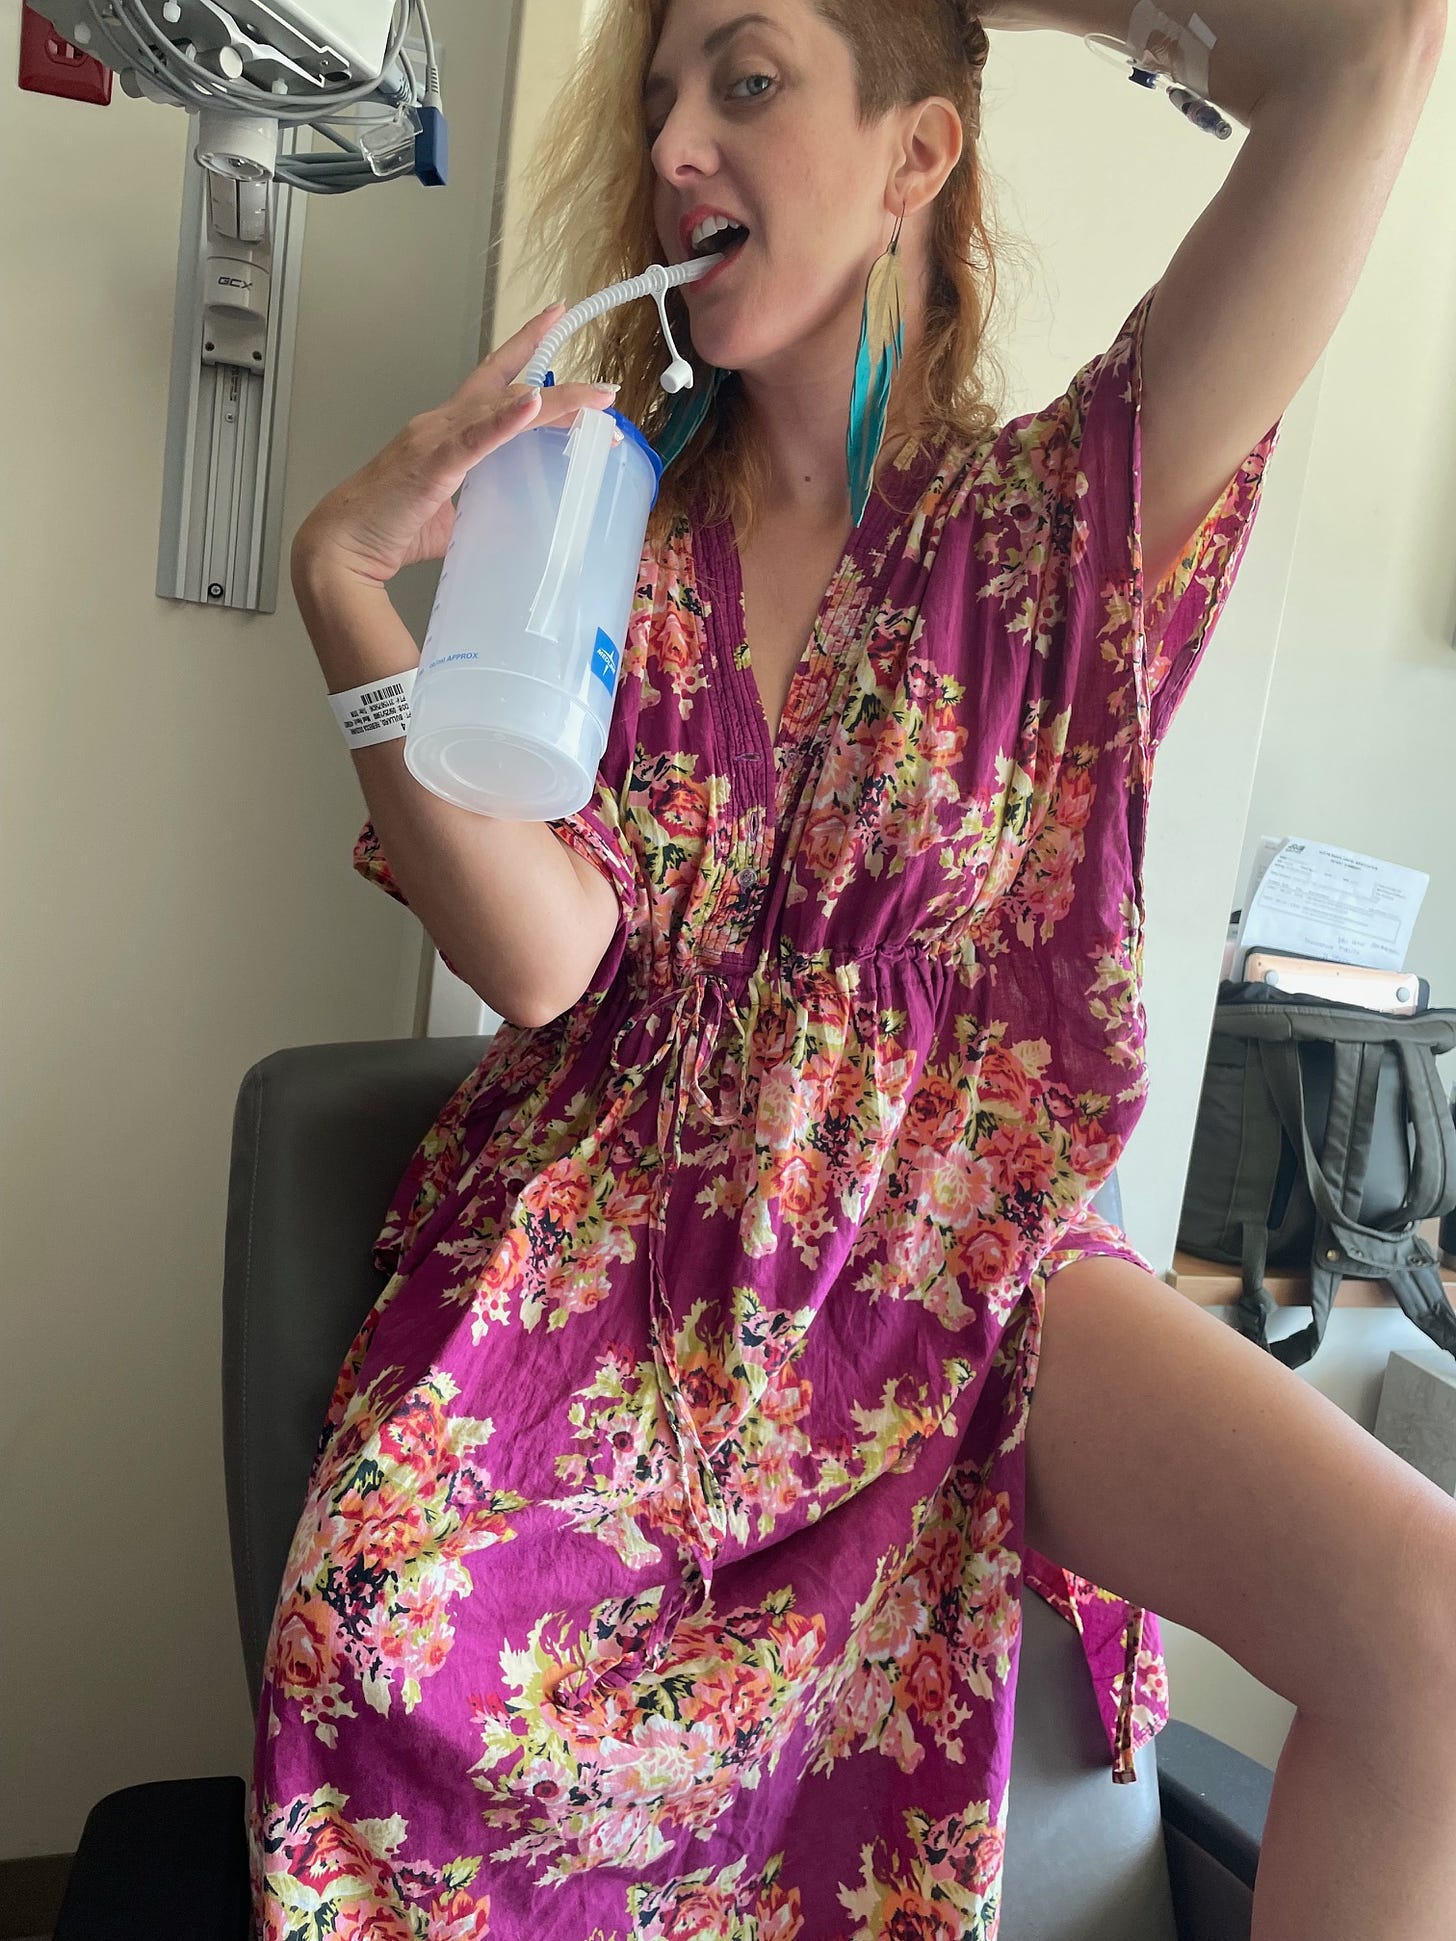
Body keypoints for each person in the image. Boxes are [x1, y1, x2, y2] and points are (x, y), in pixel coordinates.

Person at [248, 0, 1455, 1934]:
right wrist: (345, 596)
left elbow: (1374, 49)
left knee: (1432, 1624)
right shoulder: (592, 511)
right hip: (617, 1256)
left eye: (749, 80)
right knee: (384, 1634)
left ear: (917, 156)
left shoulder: (1061, 534)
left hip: (957, 1266)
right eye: (658, 103)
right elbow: (547, 965)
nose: (675, 150)